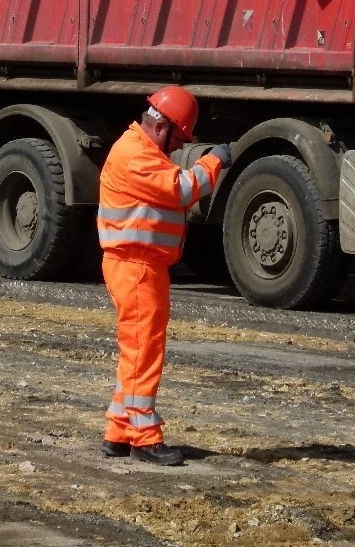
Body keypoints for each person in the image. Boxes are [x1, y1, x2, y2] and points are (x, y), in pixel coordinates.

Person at [97, 86, 232, 466]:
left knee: (135, 350)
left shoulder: (135, 149)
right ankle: (144, 437)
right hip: (137, 266)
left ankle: (119, 429)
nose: (176, 148)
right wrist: (213, 162)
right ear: (163, 127)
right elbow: (182, 189)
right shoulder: (137, 154)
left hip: (136, 265)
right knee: (144, 349)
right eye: (179, 140)